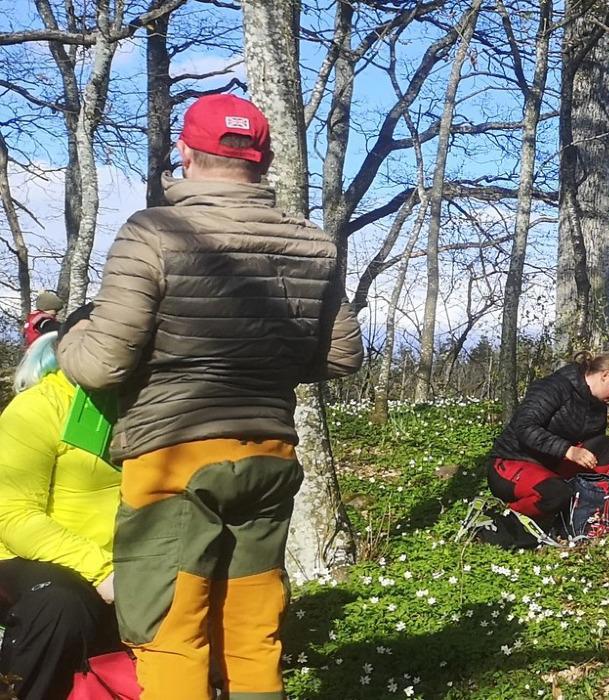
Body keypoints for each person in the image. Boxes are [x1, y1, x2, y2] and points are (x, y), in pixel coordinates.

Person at [54, 93, 364, 697]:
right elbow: (342, 355)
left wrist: (72, 335)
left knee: (170, 629)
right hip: (268, 456)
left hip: (174, 456)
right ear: (265, 156)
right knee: (253, 632)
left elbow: (101, 364)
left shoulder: (155, 232)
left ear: (185, 152)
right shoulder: (310, 242)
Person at [0, 330, 124, 700]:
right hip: (29, 558)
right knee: (58, 605)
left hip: (125, 563)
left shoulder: (145, 405)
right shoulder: (36, 407)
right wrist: (101, 570)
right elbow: (12, 515)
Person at [488, 352, 609, 539]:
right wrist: (567, 450)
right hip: (513, 462)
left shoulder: (598, 407)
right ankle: (504, 520)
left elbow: (591, 448)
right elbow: (523, 427)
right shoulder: (554, 387)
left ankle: (590, 509)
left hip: (552, 466)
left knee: (604, 447)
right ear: (605, 375)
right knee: (556, 494)